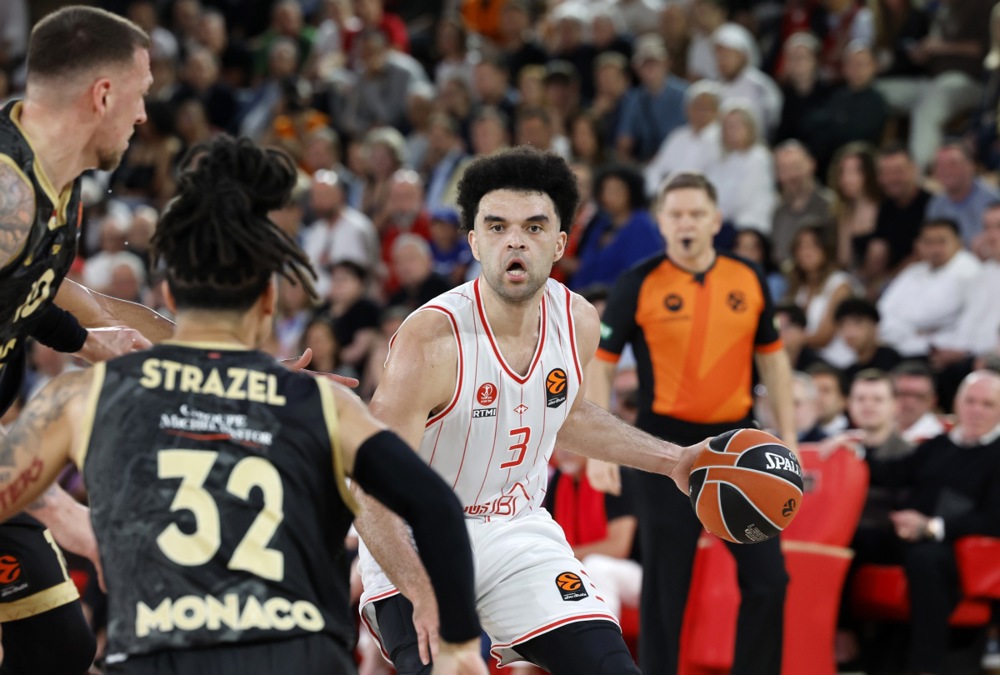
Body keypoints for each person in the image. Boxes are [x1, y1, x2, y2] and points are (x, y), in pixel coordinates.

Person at [0, 135, 486, 675]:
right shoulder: (322, 403)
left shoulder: (82, 395)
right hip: (300, 655)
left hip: (161, 652)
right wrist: (461, 640)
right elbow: (436, 506)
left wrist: (75, 521)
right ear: (268, 302)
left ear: (171, 297)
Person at [352, 147, 705, 675]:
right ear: (473, 241)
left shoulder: (578, 319)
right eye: (496, 227)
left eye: (534, 227)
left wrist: (673, 459)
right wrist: (421, 590)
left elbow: (567, 413)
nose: (514, 240)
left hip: (517, 531)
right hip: (417, 540)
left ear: (560, 243)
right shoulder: (431, 340)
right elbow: (369, 484)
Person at [0, 8, 176, 673]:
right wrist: (68, 516)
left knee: (57, 647)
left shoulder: (56, 182)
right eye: (140, 94)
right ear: (103, 94)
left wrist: (87, 338)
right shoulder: (6, 195)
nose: (142, 116)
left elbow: (23, 289)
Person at [587, 171, 796, 675]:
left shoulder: (747, 277)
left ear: (715, 220)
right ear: (660, 221)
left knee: (770, 580)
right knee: (665, 587)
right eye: (676, 213)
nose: (686, 223)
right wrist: (601, 449)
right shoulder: (638, 282)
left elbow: (773, 358)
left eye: (696, 213)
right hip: (663, 446)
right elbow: (602, 362)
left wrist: (786, 437)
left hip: (740, 443)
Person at [856, 370, 1000, 673]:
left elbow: (992, 519)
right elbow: (891, 472)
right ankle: (847, 641)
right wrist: (855, 452)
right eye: (971, 401)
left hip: (959, 550)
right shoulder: (938, 445)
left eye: (988, 404)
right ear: (957, 404)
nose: (977, 410)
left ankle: (926, 667)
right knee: (858, 539)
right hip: (908, 536)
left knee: (926, 560)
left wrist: (931, 527)